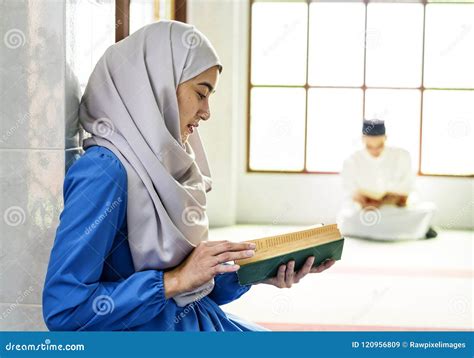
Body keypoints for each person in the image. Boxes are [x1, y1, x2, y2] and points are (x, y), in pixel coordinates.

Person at [42, 20, 335, 331]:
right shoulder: (104, 171)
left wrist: (253, 271)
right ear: (158, 86)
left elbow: (187, 293)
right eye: (201, 93)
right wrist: (175, 280)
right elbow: (65, 310)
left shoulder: (164, 165)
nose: (206, 111)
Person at [337, 119, 437, 241]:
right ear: (363, 139)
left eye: (379, 146)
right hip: (367, 211)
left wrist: (395, 199)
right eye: (370, 146)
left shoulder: (402, 155)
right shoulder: (351, 160)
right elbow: (348, 191)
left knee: (428, 209)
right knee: (348, 218)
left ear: (385, 138)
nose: (375, 151)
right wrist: (362, 200)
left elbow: (409, 187)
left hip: (396, 210)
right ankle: (412, 230)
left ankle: (384, 230)